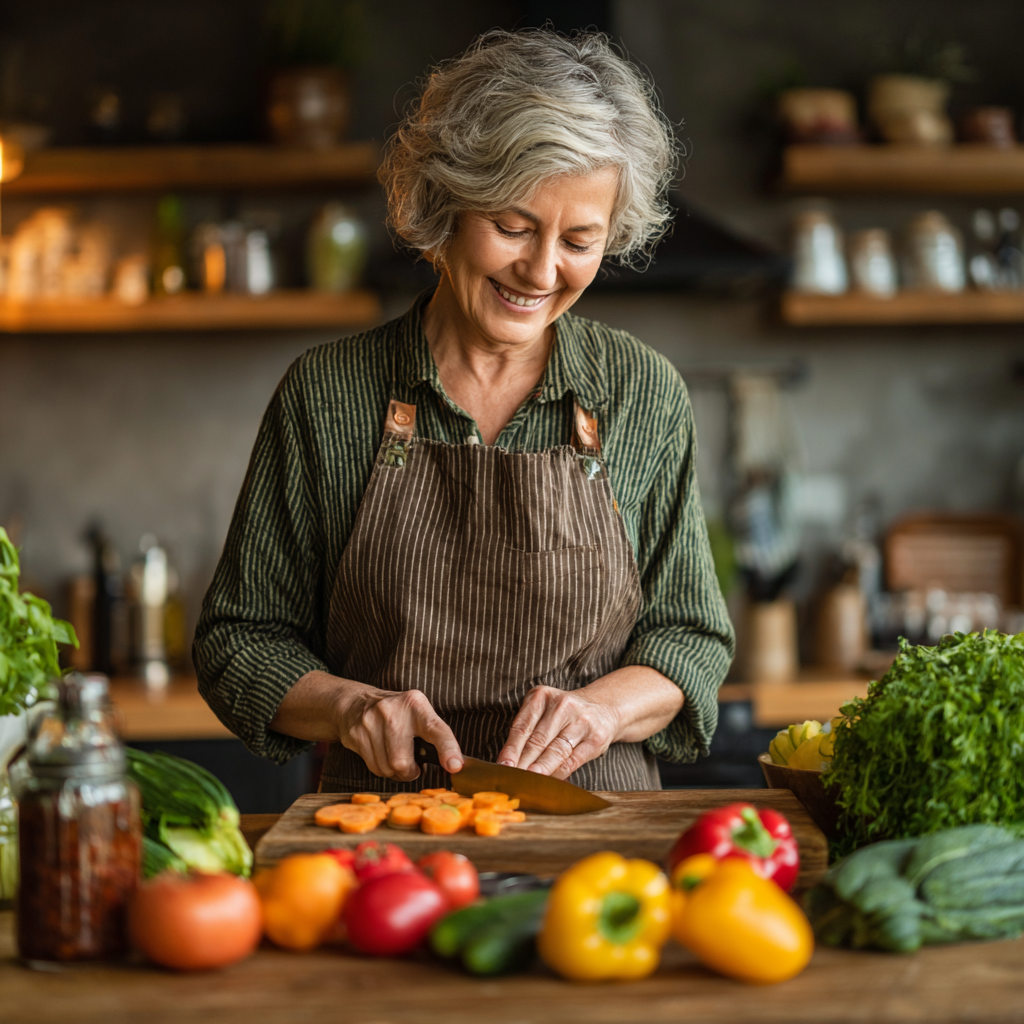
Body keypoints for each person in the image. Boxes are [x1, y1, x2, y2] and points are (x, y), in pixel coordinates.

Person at [193, 28, 734, 794]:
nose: (542, 271)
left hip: (596, 836)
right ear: (445, 202)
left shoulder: (641, 392)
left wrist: (605, 712)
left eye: (580, 240)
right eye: (512, 226)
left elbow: (691, 637)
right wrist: (350, 708)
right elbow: (240, 641)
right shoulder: (328, 394)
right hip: (387, 842)